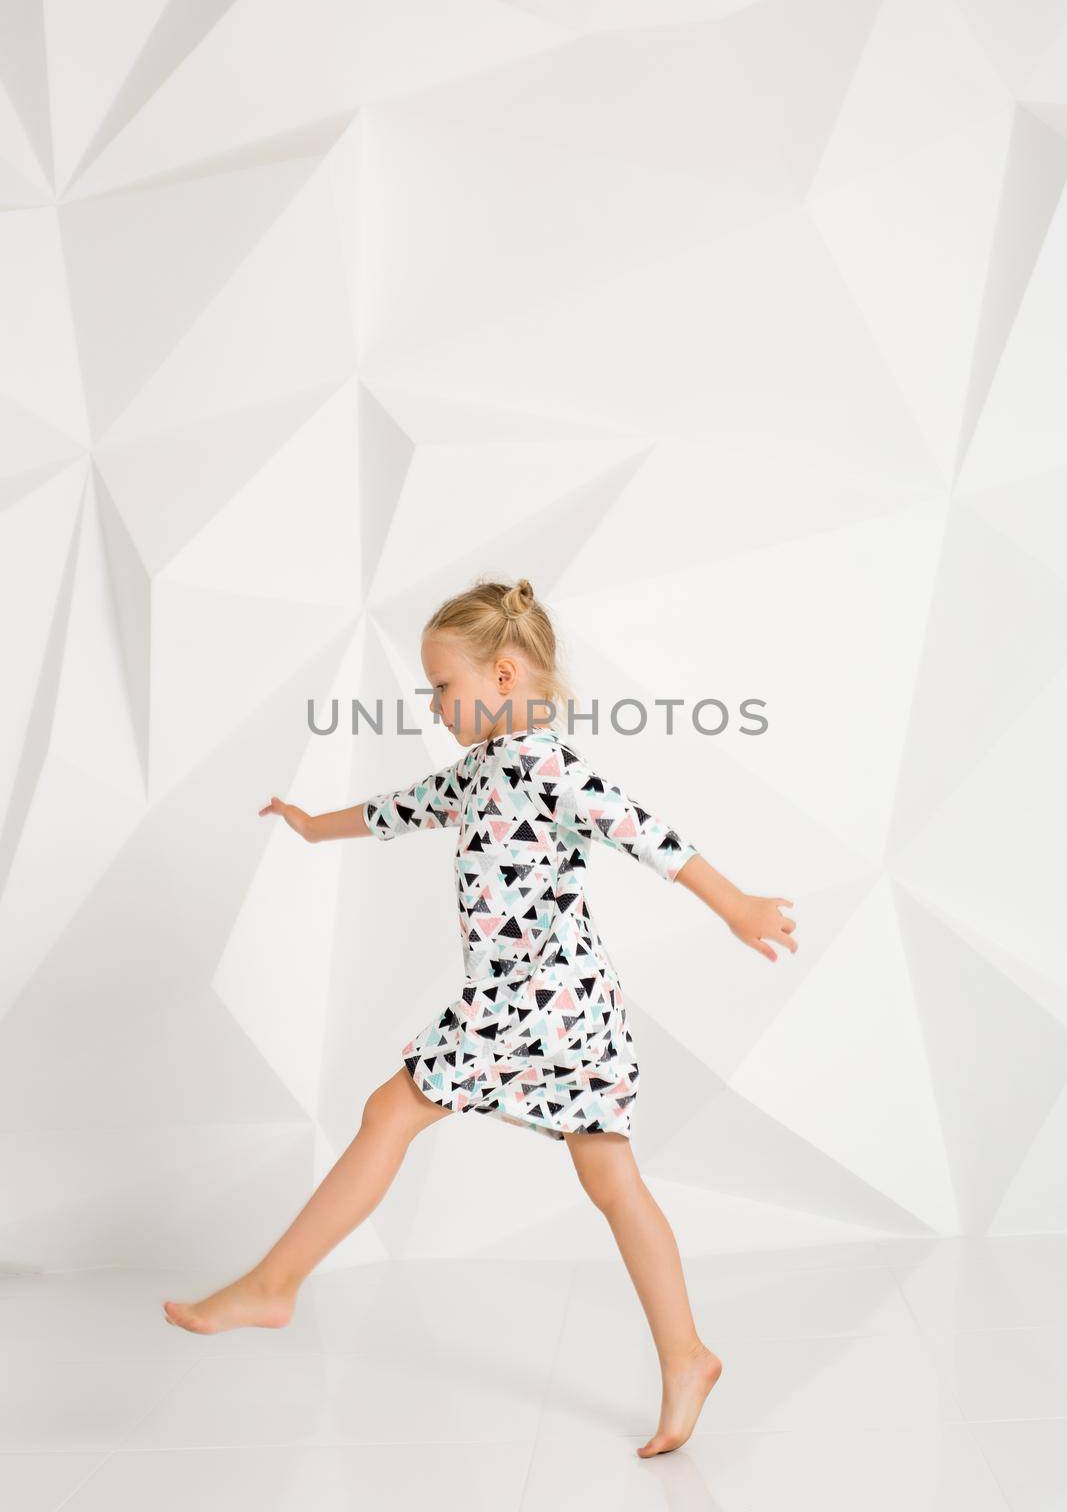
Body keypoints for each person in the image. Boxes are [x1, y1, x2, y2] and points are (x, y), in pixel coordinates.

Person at [163, 576, 798, 1457]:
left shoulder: (547, 767)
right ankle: (686, 1355)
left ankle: (274, 1284)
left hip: (540, 1000)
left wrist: (734, 906)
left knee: (400, 1115)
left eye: (442, 688)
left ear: (504, 676)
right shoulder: (480, 772)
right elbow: (397, 809)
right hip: (543, 1005)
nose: (432, 706)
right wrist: (314, 827)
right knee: (607, 1179)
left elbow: (648, 831)